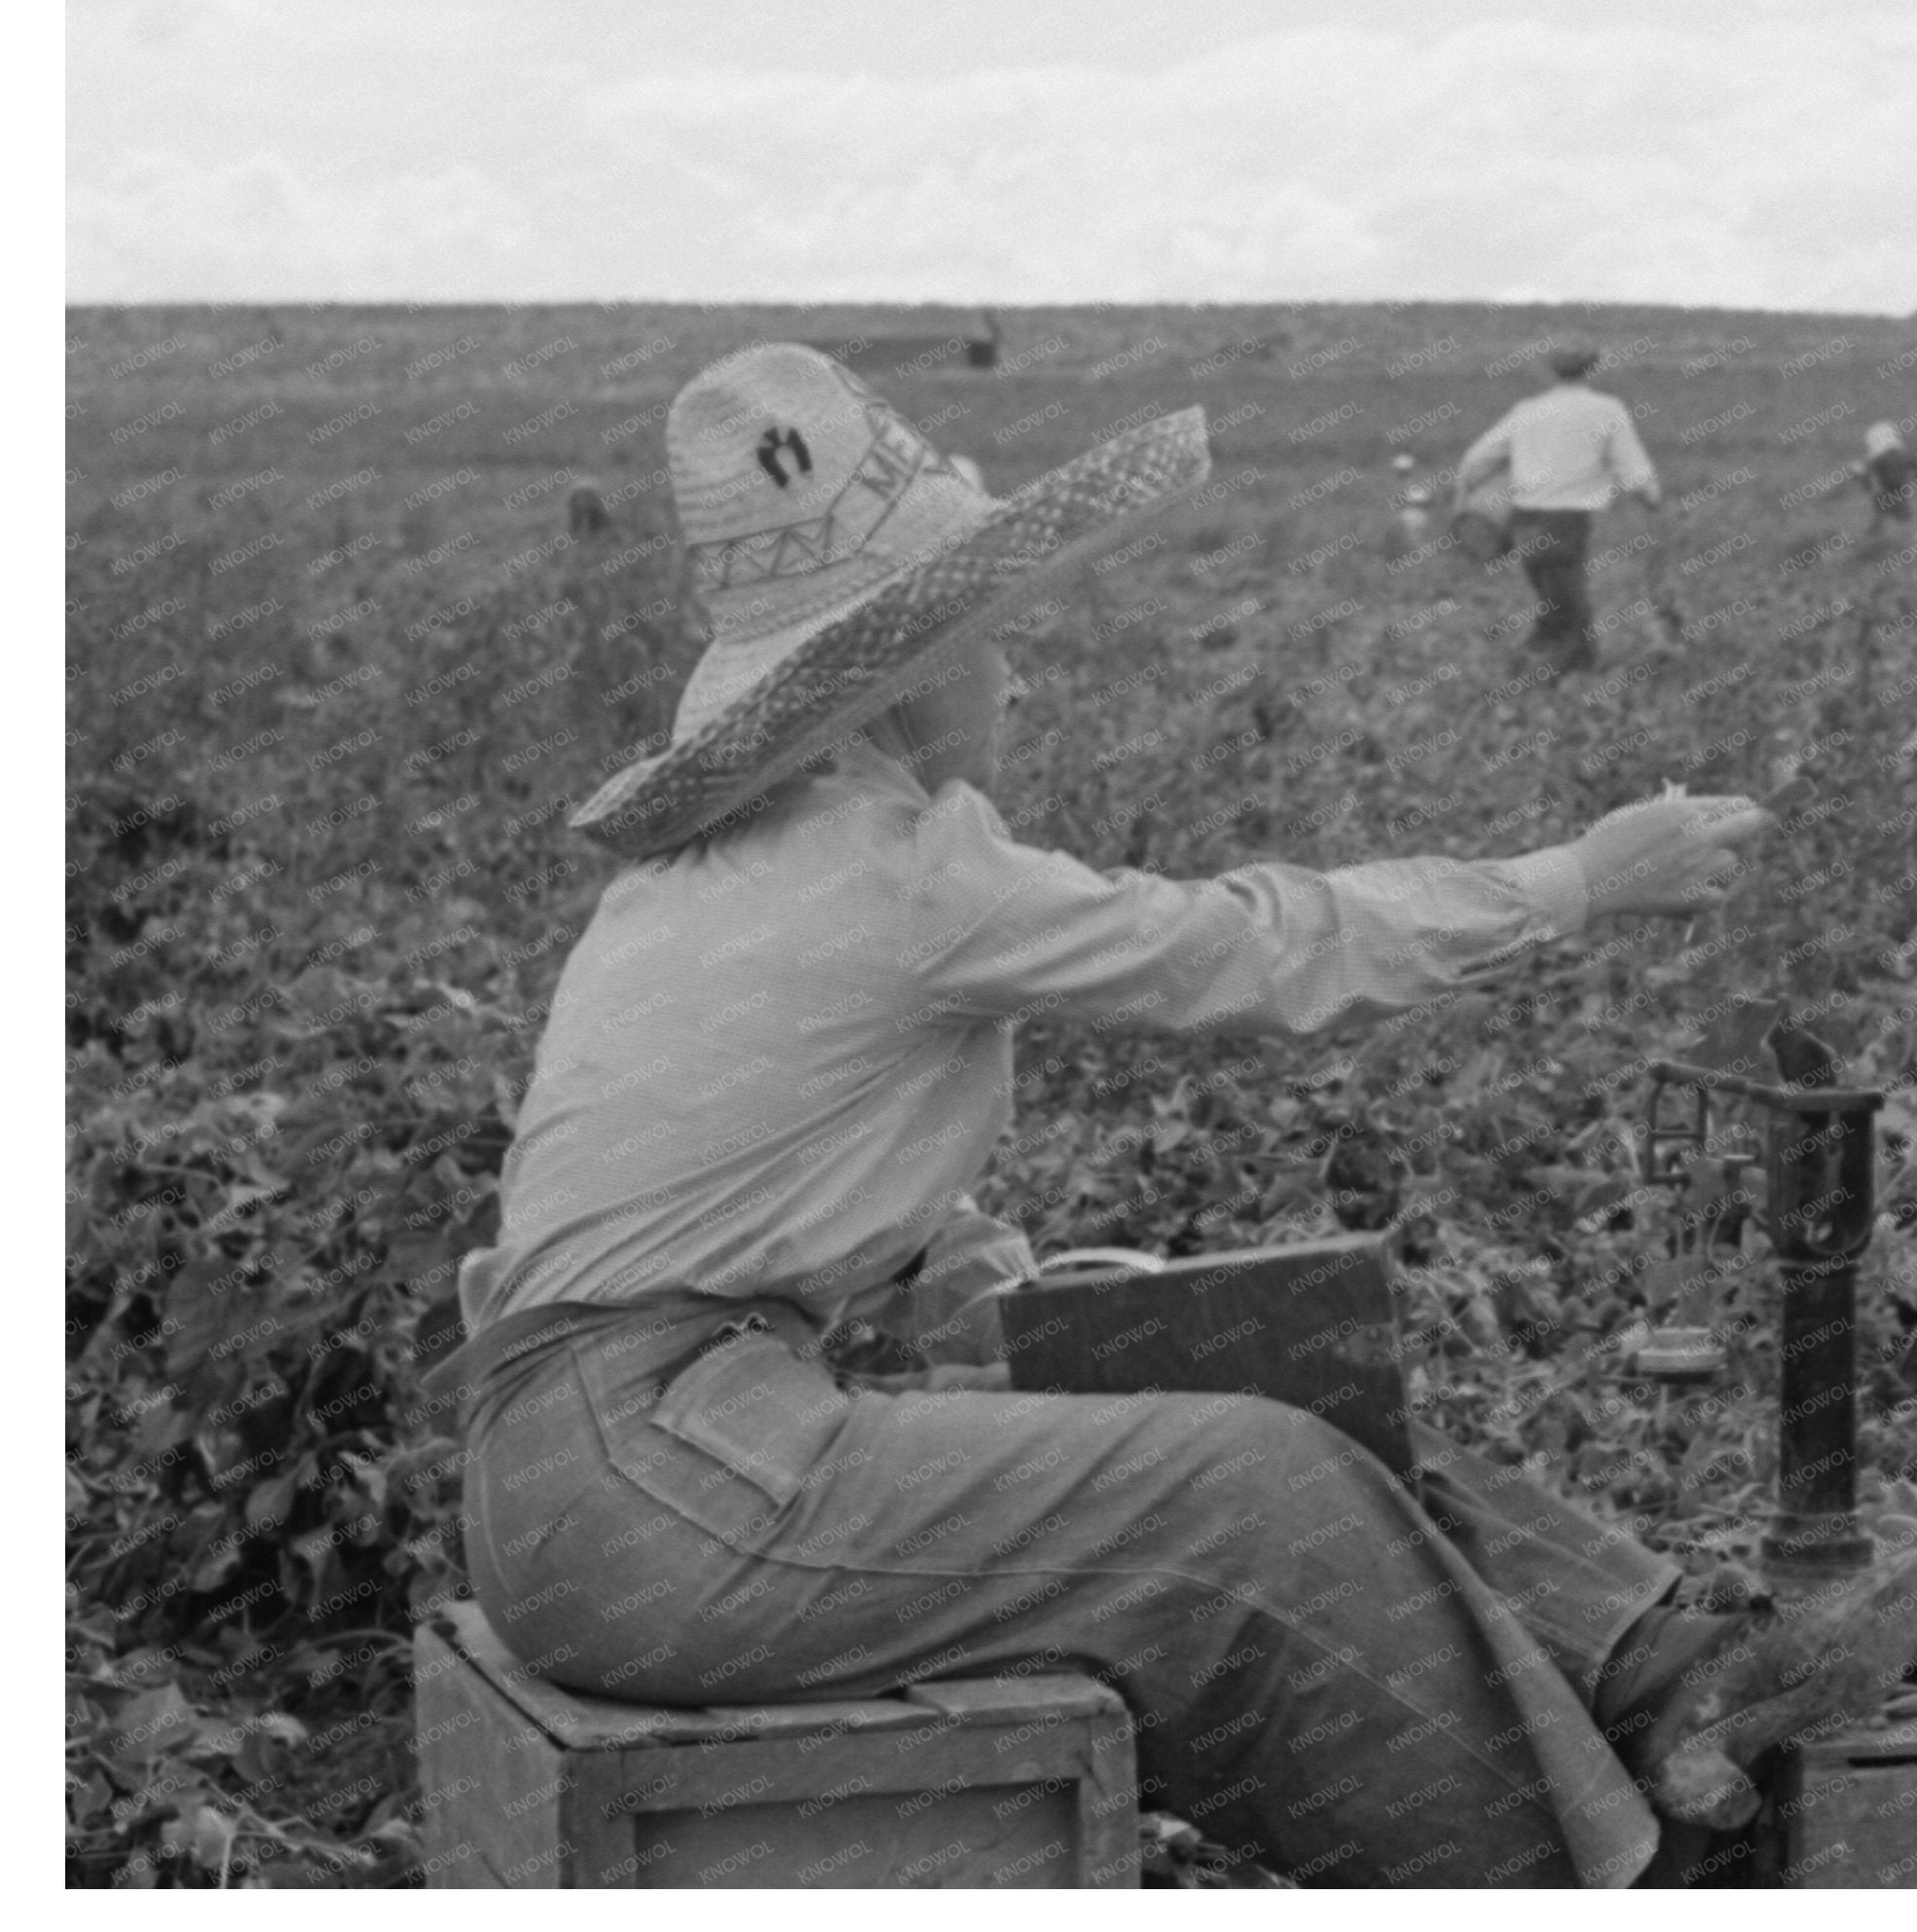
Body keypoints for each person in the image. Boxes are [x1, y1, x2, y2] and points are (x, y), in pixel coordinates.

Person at [435, 344, 1827, 1888]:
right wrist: (1576, 878)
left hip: (640, 1466)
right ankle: (1596, 1880)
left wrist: (1021, 1306)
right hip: (660, 1493)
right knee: (1249, 1491)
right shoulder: (898, 866)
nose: (1015, 675)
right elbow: (1252, 943)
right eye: (990, 643)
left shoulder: (730, 867)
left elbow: (782, 1185)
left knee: (1264, 1382)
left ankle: (1657, 1658)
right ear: (899, 680)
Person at [1455, 341, 1659, 674]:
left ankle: (1568, 670)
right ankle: (1543, 672)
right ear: (1592, 368)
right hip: (1567, 521)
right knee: (1566, 602)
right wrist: (1651, 496)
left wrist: (1464, 497)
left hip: (1522, 520)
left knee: (1557, 597)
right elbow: (1634, 470)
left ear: (1551, 369)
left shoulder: (1528, 409)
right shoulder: (1607, 409)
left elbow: (1475, 460)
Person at [1853, 421, 1917, 536]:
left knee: (1885, 518)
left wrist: (1865, 484)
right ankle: (1913, 539)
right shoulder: (1904, 454)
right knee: (1902, 517)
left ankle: (1879, 540)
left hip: (1886, 492)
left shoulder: (1877, 458)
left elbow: (1864, 474)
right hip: (1899, 491)